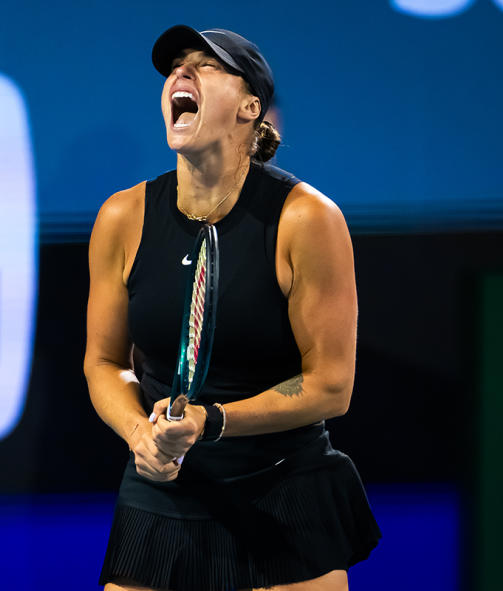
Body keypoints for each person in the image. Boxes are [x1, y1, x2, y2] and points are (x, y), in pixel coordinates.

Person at [83, 26, 381, 591]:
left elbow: (331, 386)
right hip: (162, 488)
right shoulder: (122, 217)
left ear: (251, 108)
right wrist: (140, 435)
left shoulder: (307, 220)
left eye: (205, 65)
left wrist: (212, 421)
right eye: (175, 66)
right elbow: (104, 362)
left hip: (282, 488)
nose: (180, 74)